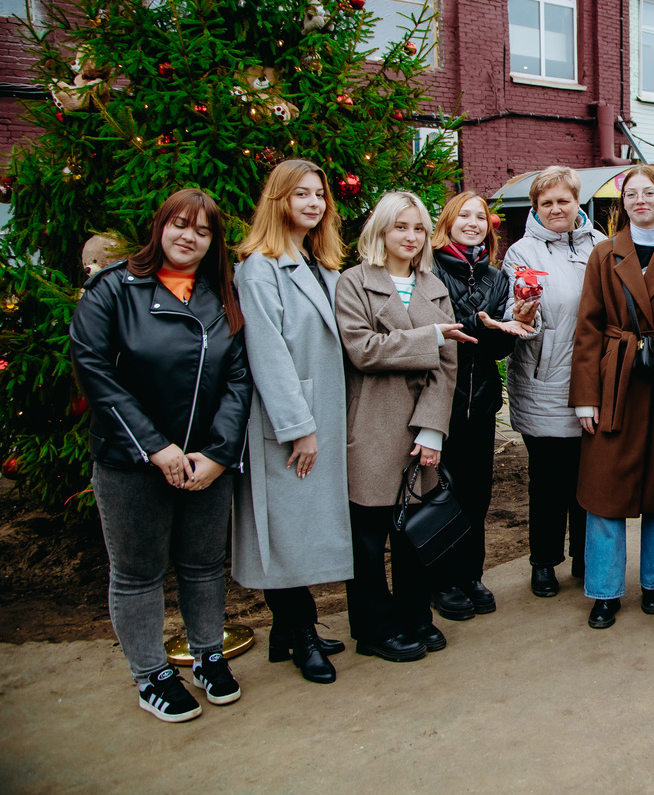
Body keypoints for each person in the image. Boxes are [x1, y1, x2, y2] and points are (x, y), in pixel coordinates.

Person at [71, 188, 252, 723]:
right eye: (180, 224)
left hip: (204, 464)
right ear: (160, 227)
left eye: (202, 230)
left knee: (203, 565)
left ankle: (208, 655)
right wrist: (155, 446)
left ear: (213, 241)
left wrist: (218, 454)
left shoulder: (222, 297)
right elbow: (94, 370)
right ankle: (151, 674)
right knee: (137, 573)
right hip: (131, 461)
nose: (189, 237)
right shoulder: (113, 289)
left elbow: (238, 379)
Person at [235, 160, 353, 685]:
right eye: (300, 194)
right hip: (289, 424)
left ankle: (286, 633)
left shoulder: (322, 265)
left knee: (306, 528)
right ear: (277, 200)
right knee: (285, 531)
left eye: (319, 195)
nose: (313, 203)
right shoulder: (258, 268)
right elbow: (268, 355)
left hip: (324, 415)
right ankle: (300, 631)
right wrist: (297, 427)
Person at [334, 192, 463, 662]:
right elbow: (363, 350)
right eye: (400, 227)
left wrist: (431, 429)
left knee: (413, 535)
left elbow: (447, 365)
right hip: (372, 426)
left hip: (419, 429)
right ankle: (374, 629)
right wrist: (429, 337)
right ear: (381, 231)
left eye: (418, 228)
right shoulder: (354, 283)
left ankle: (416, 616)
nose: (410, 237)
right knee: (369, 541)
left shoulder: (434, 285)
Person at [570, 165, 654, 629]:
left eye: (649, 193)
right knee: (605, 491)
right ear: (622, 205)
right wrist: (586, 397)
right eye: (631, 194)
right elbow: (587, 328)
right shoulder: (604, 254)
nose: (640, 200)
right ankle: (604, 591)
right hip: (614, 381)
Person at [427, 192, 533, 621]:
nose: (472, 223)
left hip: (481, 401)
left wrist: (515, 324)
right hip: (438, 402)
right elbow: (433, 333)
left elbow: (497, 349)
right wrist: (481, 324)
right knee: (439, 493)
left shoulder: (495, 278)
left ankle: (471, 575)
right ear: (448, 222)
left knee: (476, 494)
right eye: (464, 216)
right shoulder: (428, 270)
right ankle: (441, 581)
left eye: (479, 217)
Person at [502, 166, 606, 597]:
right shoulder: (521, 252)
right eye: (546, 202)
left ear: (577, 201)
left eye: (563, 200)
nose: (556, 208)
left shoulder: (600, 245)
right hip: (544, 383)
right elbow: (515, 314)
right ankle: (544, 562)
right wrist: (523, 314)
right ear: (535, 207)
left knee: (588, 479)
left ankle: (585, 558)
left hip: (593, 384)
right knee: (547, 482)